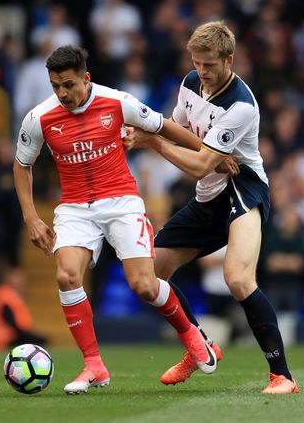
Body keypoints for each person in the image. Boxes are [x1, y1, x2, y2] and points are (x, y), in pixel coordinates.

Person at [13, 45, 218, 395]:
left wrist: (210, 152)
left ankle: (192, 336)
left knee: (144, 285)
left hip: (121, 202)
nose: (62, 93)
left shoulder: (118, 102)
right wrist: (31, 216)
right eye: (55, 86)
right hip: (76, 208)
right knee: (66, 275)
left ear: (86, 78)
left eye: (68, 85)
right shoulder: (38, 118)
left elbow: (165, 127)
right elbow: (21, 165)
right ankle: (94, 365)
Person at [124, 21, 299, 394]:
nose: (202, 71)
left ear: (229, 60)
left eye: (209, 65)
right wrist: (156, 133)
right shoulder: (191, 83)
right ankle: (199, 344)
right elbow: (176, 128)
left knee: (237, 278)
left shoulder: (241, 105)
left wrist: (152, 144)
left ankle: (282, 375)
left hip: (243, 189)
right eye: (196, 62)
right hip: (209, 194)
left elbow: (198, 164)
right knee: (150, 274)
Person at [0, 267, 47, 351]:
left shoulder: (12, 294)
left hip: (10, 337)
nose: (20, 280)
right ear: (8, 278)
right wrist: (29, 335)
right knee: (39, 340)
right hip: (4, 340)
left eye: (21, 277)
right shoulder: (4, 294)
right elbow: (10, 322)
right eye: (16, 276)